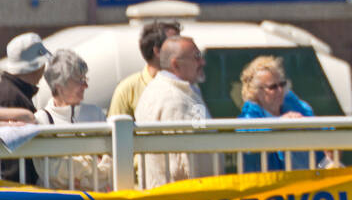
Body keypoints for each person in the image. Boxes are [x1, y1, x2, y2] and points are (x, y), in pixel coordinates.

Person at [134, 36, 218, 186]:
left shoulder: (186, 91)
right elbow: (182, 163)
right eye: (197, 57)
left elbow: (200, 129)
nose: (203, 62)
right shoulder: (174, 100)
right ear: (176, 64)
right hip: (184, 199)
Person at [236, 55, 338, 172]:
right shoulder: (248, 118)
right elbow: (248, 143)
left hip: (310, 185)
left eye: (282, 84)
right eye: (273, 87)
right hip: (273, 185)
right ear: (255, 92)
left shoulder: (299, 109)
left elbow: (327, 132)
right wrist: (279, 125)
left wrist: (331, 145)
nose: (280, 90)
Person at [37, 49, 113, 190]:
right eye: (80, 81)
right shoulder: (42, 120)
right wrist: (94, 162)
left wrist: (76, 174)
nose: (86, 86)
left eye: (85, 79)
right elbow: (51, 174)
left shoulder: (96, 114)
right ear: (59, 86)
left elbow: (113, 165)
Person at [0, 33, 53, 184]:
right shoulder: (14, 97)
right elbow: (13, 162)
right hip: (15, 193)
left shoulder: (11, 91)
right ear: (38, 66)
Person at [108, 20, 181, 119]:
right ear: (157, 51)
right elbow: (117, 131)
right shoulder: (127, 90)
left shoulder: (187, 85)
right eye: (175, 44)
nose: (182, 49)